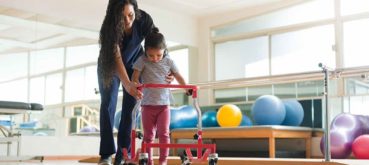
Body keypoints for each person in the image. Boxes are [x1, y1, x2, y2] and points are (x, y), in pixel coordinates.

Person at [97, 0, 173, 165]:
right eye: (122, 17)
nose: (127, 20)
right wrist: (127, 83)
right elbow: (116, 56)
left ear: (136, 12)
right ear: (115, 15)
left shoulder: (143, 20)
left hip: (134, 64)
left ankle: (124, 154)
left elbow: (157, 44)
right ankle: (106, 155)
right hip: (109, 65)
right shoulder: (109, 27)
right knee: (108, 103)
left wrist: (168, 69)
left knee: (132, 107)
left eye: (130, 15)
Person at [132, 27, 189, 165]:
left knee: (164, 134)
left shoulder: (169, 61)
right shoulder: (142, 60)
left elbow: (178, 76)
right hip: (147, 106)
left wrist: (186, 88)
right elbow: (135, 76)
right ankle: (149, 161)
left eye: (159, 55)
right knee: (148, 136)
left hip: (164, 106)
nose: (155, 59)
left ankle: (163, 161)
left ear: (164, 50)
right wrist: (136, 86)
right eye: (151, 55)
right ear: (146, 51)